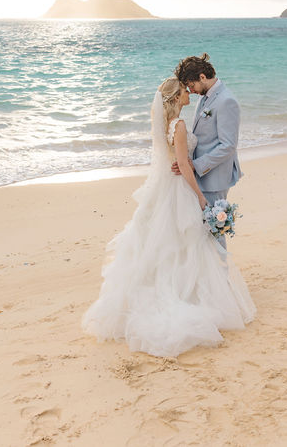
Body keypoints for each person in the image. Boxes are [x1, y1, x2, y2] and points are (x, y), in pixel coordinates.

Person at [82, 77, 255, 358]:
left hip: (163, 189)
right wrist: (200, 197)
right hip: (179, 190)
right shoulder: (180, 126)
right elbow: (184, 165)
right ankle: (189, 296)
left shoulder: (165, 126)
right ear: (176, 99)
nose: (189, 94)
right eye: (185, 91)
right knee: (186, 242)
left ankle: (173, 291)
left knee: (163, 244)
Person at [172, 54, 242, 249]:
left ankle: (221, 276)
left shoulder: (226, 101)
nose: (191, 91)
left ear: (202, 77)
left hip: (214, 177)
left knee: (214, 231)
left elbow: (228, 145)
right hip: (201, 175)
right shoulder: (205, 98)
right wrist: (185, 162)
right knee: (203, 232)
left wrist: (196, 165)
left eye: (191, 85)